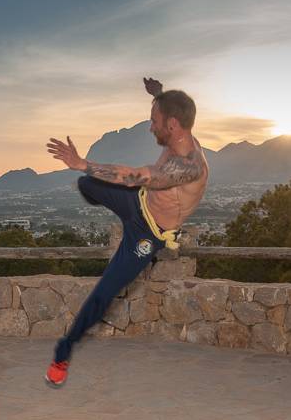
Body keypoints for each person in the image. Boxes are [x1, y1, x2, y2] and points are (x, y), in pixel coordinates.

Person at [44, 77, 210, 387]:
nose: (150, 128)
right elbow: (171, 114)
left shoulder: (189, 166)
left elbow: (133, 176)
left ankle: (62, 354)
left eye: (154, 122)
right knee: (87, 185)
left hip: (147, 233)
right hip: (137, 203)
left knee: (104, 292)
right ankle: (98, 193)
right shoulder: (179, 133)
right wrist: (159, 95)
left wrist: (81, 162)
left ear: (172, 124)